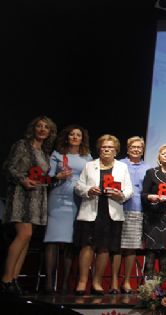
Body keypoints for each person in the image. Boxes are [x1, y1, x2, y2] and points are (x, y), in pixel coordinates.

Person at [1, 116, 57, 295]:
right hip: (21, 195)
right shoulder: (22, 145)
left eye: (46, 127)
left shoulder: (44, 153)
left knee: (27, 237)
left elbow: (42, 177)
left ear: (50, 132)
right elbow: (9, 167)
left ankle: (14, 279)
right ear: (33, 128)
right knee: (24, 233)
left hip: (37, 197)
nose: (42, 129)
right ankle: (6, 279)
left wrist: (55, 179)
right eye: (39, 126)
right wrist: (23, 180)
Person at [74, 134, 132, 295]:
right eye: (104, 147)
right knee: (87, 245)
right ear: (99, 149)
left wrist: (120, 195)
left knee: (104, 247)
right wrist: (88, 190)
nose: (106, 150)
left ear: (116, 151)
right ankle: (82, 281)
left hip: (111, 212)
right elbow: (78, 186)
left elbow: (128, 190)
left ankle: (97, 282)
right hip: (91, 210)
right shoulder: (89, 165)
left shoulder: (122, 167)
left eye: (110, 148)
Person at [43, 124, 92, 294]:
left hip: (77, 200)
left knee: (71, 242)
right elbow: (47, 176)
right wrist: (57, 176)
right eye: (72, 134)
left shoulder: (87, 157)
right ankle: (49, 281)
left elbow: (91, 177)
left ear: (82, 138)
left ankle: (64, 283)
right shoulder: (58, 155)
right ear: (67, 137)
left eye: (78, 135)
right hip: (58, 198)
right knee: (52, 239)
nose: (75, 137)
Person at [113, 136, 151, 293]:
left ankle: (127, 282)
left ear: (143, 150)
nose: (136, 149)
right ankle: (114, 282)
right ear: (128, 149)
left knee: (131, 247)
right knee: (116, 247)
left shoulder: (148, 168)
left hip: (137, 210)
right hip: (117, 208)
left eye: (139, 147)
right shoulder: (119, 164)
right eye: (133, 147)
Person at [141, 144, 166, 277]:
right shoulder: (152, 173)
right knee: (151, 252)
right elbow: (144, 194)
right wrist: (152, 197)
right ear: (159, 156)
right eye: (163, 153)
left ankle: (163, 288)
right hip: (153, 218)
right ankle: (147, 286)